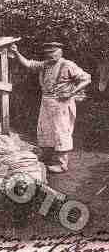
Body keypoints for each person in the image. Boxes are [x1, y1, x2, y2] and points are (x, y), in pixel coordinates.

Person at [9, 42, 91, 173]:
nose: (50, 56)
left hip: (61, 103)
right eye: (48, 54)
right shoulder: (46, 64)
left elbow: (87, 79)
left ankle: (62, 163)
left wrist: (71, 93)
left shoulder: (68, 65)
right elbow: (29, 64)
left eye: (53, 53)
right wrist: (16, 52)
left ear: (60, 52)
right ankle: (46, 156)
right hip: (46, 101)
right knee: (45, 129)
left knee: (61, 131)